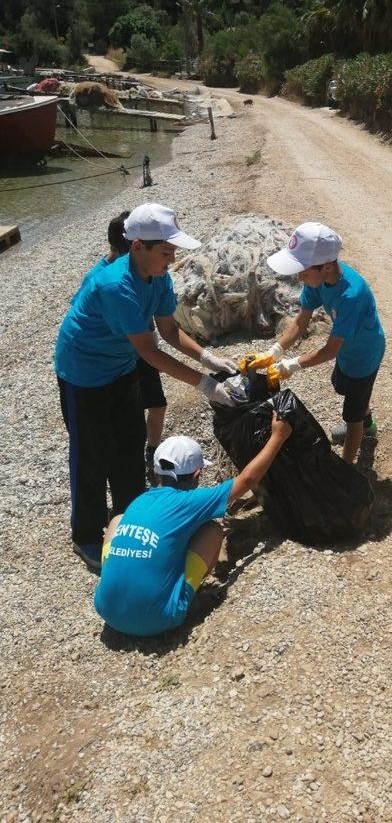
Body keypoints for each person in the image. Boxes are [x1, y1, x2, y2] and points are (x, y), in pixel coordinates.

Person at [55, 203, 237, 573]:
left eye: (173, 252)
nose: (172, 260)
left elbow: (169, 331)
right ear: (137, 247)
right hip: (83, 372)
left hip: (120, 368)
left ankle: (129, 514)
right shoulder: (115, 286)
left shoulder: (158, 278)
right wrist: (204, 385)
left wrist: (207, 358)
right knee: (90, 453)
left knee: (129, 440)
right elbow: (150, 352)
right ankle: (87, 535)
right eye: (166, 252)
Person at [94, 416, 291, 637]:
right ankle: (186, 593)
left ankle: (116, 584)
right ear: (197, 475)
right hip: (159, 618)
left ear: (158, 472)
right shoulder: (191, 501)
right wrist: (278, 436)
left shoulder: (139, 501)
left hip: (107, 612)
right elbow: (246, 480)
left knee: (117, 521)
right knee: (213, 530)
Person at [250, 222, 386, 464]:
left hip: (364, 357)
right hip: (347, 351)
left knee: (351, 416)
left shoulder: (350, 296)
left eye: (303, 270)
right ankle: (367, 420)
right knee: (345, 389)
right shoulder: (318, 281)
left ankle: (348, 466)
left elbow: (331, 349)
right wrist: (275, 351)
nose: (299, 275)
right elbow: (300, 322)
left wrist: (291, 365)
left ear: (327, 266)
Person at [76, 211, 169, 484]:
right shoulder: (103, 279)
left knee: (158, 404)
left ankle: (150, 454)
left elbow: (153, 314)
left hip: (141, 348)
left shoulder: (147, 269)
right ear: (125, 248)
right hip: (116, 357)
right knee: (122, 422)